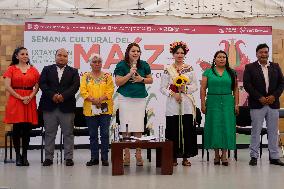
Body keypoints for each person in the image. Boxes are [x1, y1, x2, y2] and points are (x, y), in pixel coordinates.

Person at [243, 43, 284, 166]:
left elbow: (281, 84)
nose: (263, 54)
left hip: (273, 104)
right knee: (256, 131)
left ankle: (274, 157)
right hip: (257, 104)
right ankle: (254, 156)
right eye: (261, 52)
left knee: (273, 131)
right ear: (257, 54)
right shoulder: (250, 67)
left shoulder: (275, 67)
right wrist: (259, 97)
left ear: (268, 53)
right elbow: (247, 85)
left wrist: (273, 96)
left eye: (266, 52)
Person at [114, 42, 153, 166]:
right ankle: (126, 153)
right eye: (133, 51)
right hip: (125, 98)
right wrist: (130, 74)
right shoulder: (121, 65)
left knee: (138, 125)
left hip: (140, 98)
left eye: (137, 51)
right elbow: (118, 82)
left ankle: (138, 153)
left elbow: (150, 79)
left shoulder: (144, 64)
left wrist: (141, 79)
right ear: (128, 53)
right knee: (126, 125)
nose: (136, 53)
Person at [39, 48, 80, 166]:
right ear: (55, 56)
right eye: (59, 55)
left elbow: (75, 86)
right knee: (49, 133)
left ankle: (68, 158)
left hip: (67, 106)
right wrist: (52, 95)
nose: (62, 57)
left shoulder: (73, 71)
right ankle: (48, 158)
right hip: (49, 106)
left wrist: (63, 96)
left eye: (65, 56)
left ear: (67, 58)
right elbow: (42, 84)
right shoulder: (47, 69)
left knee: (68, 133)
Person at [160, 41, 198, 166]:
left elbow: (195, 86)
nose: (180, 55)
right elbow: (162, 88)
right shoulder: (168, 70)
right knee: (173, 131)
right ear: (173, 54)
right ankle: (173, 157)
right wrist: (173, 93)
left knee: (187, 130)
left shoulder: (190, 68)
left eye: (182, 53)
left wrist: (185, 89)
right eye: (177, 53)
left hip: (186, 103)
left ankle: (186, 157)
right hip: (173, 104)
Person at [200, 50, 239, 166]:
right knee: (214, 126)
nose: (222, 59)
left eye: (224, 57)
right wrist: (203, 104)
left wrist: (236, 104)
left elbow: (236, 89)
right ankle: (216, 154)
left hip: (228, 102)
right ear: (214, 59)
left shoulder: (232, 72)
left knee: (227, 127)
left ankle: (225, 154)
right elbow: (203, 89)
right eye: (219, 57)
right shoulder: (208, 72)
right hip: (212, 102)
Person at [3, 47, 40, 166]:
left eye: (27, 54)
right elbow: (7, 86)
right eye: (22, 54)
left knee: (26, 130)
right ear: (16, 56)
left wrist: (30, 96)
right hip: (16, 100)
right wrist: (20, 97)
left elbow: (38, 86)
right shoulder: (11, 69)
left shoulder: (33, 70)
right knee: (17, 129)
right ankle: (18, 155)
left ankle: (25, 156)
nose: (25, 56)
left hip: (29, 100)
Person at [80, 54, 114, 166]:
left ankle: (104, 158)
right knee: (93, 134)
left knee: (104, 134)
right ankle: (94, 158)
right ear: (90, 64)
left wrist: (100, 99)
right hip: (90, 109)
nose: (97, 64)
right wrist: (93, 100)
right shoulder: (85, 76)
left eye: (99, 61)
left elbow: (110, 90)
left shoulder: (107, 76)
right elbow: (83, 91)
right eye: (94, 62)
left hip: (105, 108)